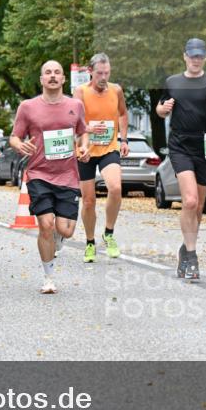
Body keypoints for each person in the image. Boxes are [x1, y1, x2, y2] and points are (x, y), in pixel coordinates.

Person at [9, 60, 89, 294]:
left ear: (63, 78)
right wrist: (19, 145)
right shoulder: (27, 107)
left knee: (66, 230)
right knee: (45, 225)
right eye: (48, 72)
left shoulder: (75, 105)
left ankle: (57, 237)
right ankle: (48, 277)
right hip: (39, 174)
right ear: (41, 79)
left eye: (57, 72)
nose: (52, 76)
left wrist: (84, 147)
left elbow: (83, 132)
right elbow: (14, 136)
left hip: (68, 175)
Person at [155, 38, 206, 280]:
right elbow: (159, 109)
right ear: (185, 56)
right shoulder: (172, 82)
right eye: (192, 55)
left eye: (200, 56)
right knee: (189, 201)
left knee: (198, 206)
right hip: (180, 145)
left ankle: (185, 248)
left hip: (205, 146)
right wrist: (164, 109)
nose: (196, 59)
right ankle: (192, 256)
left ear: (205, 58)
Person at [74, 53, 129, 263]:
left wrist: (123, 140)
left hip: (109, 148)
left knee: (115, 188)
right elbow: (75, 120)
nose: (104, 77)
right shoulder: (81, 91)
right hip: (85, 150)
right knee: (88, 201)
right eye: (99, 73)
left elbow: (122, 113)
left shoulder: (116, 90)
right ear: (90, 72)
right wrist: (86, 134)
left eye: (107, 73)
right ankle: (90, 242)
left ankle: (109, 233)